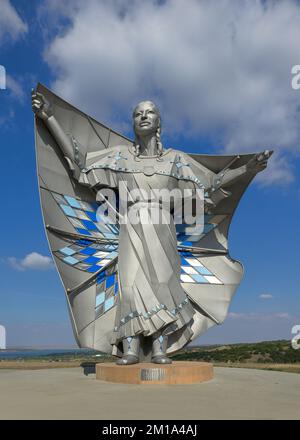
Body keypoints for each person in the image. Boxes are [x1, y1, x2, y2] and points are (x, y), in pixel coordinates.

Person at [32, 90, 270, 364]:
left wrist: (247, 169)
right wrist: (49, 117)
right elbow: (80, 163)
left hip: (163, 227)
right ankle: (130, 347)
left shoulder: (175, 161)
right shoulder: (120, 158)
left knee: (162, 284)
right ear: (133, 122)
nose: (143, 116)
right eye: (137, 113)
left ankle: (159, 347)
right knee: (130, 286)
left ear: (159, 123)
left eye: (150, 112)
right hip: (131, 226)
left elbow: (211, 185)